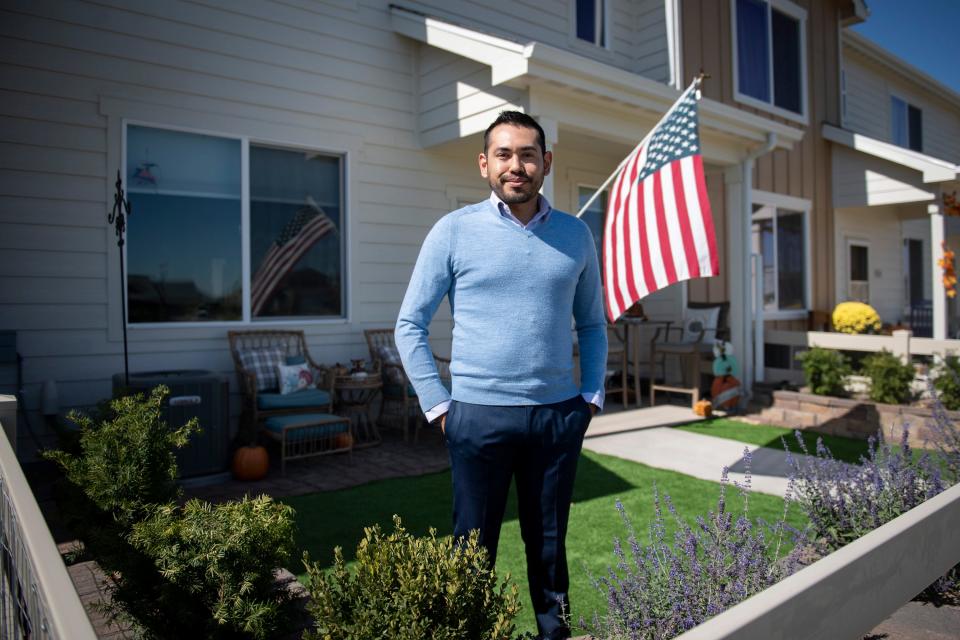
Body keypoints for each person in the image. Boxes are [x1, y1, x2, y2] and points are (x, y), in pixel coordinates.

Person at [395, 111, 607, 639]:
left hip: (557, 417)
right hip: (477, 418)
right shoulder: (454, 231)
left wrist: (592, 399)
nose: (518, 166)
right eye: (505, 155)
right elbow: (409, 325)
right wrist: (441, 408)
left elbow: (594, 324)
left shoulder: (576, 235)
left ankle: (553, 634)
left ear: (546, 163)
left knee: (551, 547)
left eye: (528, 154)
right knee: (472, 550)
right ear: (485, 164)